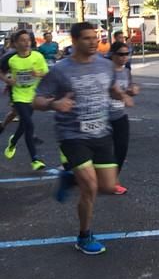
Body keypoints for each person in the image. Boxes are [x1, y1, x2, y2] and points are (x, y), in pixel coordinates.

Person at [34, 22, 133, 255]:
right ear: (75, 40)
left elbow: (109, 88)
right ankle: (84, 236)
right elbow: (36, 101)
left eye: (95, 37)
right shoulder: (60, 70)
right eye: (87, 38)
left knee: (108, 186)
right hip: (72, 135)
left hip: (101, 132)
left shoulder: (106, 65)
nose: (93, 42)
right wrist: (53, 103)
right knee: (90, 186)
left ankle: (70, 178)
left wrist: (122, 94)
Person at [1, 30, 49, 170]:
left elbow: (46, 73)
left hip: (33, 95)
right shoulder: (10, 59)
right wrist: (7, 81)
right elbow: (1, 72)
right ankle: (35, 160)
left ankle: (13, 141)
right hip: (18, 95)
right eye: (22, 40)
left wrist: (37, 73)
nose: (26, 42)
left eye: (28, 40)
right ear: (16, 43)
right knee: (29, 124)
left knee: (24, 124)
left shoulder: (37, 56)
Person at [109, 41, 139, 195]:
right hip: (104, 116)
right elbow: (109, 89)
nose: (124, 57)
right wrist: (123, 95)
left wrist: (132, 89)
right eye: (121, 54)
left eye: (127, 54)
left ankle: (113, 179)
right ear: (113, 55)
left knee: (121, 148)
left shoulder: (126, 71)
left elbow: (129, 86)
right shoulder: (107, 70)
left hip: (120, 114)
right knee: (103, 150)